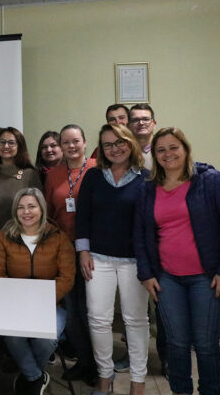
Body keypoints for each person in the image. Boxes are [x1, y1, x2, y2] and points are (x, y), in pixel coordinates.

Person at [135, 127, 220, 395]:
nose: (168, 154)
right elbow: (140, 233)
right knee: (176, 344)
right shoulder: (148, 188)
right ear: (154, 155)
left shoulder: (211, 181)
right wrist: (146, 273)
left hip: (207, 277)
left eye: (174, 147)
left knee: (205, 344)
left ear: (185, 149)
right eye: (161, 150)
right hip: (167, 278)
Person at [76, 124, 149, 395]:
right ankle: (105, 378)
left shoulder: (146, 177)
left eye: (119, 142)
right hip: (98, 259)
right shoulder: (94, 177)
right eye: (107, 144)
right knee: (98, 319)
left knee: (136, 321)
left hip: (134, 261)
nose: (114, 148)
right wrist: (83, 251)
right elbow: (82, 217)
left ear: (130, 142)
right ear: (101, 149)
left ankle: (138, 382)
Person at [0, 188, 74, 395]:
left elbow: (67, 277)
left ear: (41, 209)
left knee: (46, 339)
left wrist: (43, 302)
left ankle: (28, 372)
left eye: (31, 206)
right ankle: (35, 376)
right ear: (15, 211)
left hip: (52, 304)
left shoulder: (58, 238)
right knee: (12, 336)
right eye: (21, 207)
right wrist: (18, 302)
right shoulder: (3, 238)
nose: (26, 212)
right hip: (13, 305)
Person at [44, 124, 97, 384]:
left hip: (94, 251)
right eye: (65, 142)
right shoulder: (54, 174)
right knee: (73, 311)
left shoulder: (98, 169)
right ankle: (85, 362)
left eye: (75, 141)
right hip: (64, 250)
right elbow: (48, 215)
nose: (71, 146)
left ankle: (100, 366)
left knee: (93, 311)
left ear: (85, 142)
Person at [0, 127, 42, 268]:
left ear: (19, 146)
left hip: (23, 245)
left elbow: (39, 210)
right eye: (2, 142)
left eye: (11, 142)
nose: (6, 146)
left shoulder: (30, 174)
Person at [128, 104, 156, 169]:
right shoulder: (123, 151)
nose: (141, 123)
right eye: (135, 120)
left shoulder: (164, 149)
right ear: (128, 126)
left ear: (154, 124)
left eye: (146, 119)